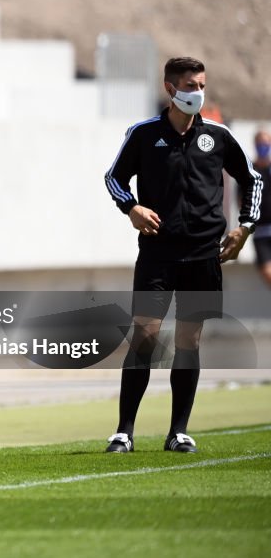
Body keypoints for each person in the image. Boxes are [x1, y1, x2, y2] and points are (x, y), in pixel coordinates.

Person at [103, 56, 262, 454]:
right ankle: (124, 432)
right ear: (171, 89)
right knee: (145, 337)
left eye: (202, 84)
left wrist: (244, 227)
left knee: (189, 340)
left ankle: (179, 431)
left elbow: (252, 180)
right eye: (191, 85)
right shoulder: (143, 134)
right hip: (157, 254)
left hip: (204, 257)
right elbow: (113, 177)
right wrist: (132, 208)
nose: (198, 92)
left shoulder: (218, 136)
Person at [249, 130, 271, 289]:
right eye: (260, 143)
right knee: (266, 271)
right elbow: (242, 197)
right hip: (261, 231)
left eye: (266, 143)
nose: (263, 146)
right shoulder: (251, 170)